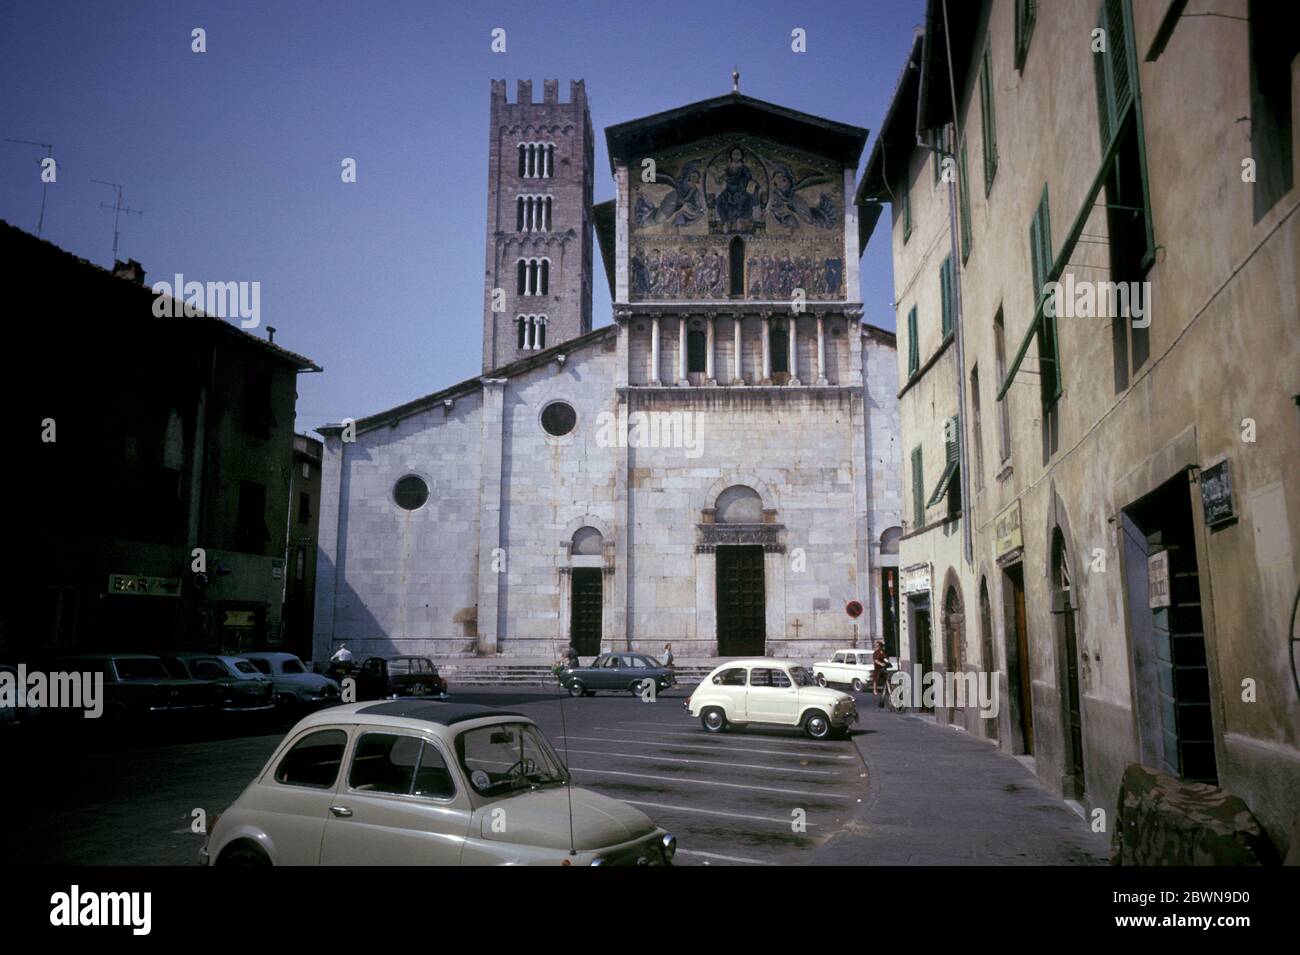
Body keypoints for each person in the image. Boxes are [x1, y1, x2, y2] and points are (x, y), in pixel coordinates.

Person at [871, 640, 889, 709]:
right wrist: (880, 663)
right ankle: (874, 690)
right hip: (877, 668)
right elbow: (876, 660)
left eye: (879, 646)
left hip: (883, 667)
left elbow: (885, 658)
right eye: (877, 646)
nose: (878, 647)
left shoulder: (882, 652)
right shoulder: (875, 653)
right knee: (876, 679)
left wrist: (887, 661)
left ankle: (886, 688)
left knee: (886, 677)